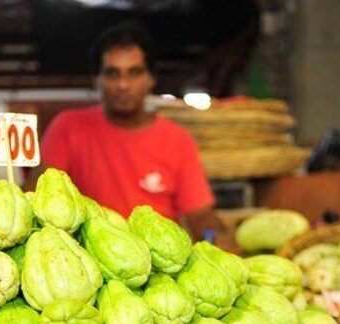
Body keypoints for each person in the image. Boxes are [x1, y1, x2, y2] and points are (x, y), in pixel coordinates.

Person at [30, 22, 235, 249]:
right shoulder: (67, 127)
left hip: (160, 265)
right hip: (89, 263)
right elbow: (39, 191)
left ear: (151, 78)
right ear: (96, 79)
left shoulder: (178, 140)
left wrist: (212, 237)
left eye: (134, 73)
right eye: (112, 73)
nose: (123, 85)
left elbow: (200, 216)